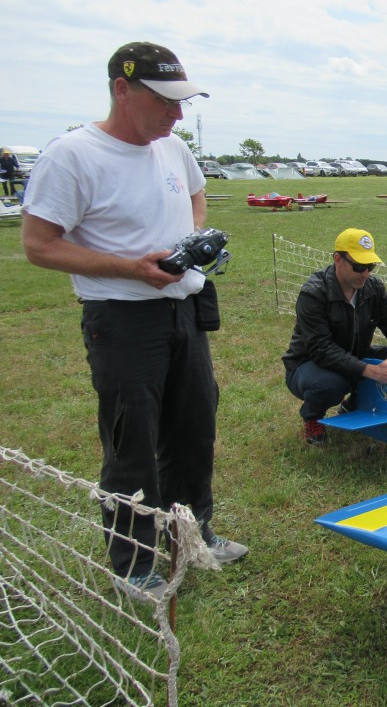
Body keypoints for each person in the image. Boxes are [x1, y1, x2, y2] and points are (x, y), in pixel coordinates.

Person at [21, 41, 248, 600]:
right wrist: (131, 268)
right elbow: (39, 245)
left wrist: (190, 241)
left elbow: (196, 196)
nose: (177, 115)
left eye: (182, 103)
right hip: (122, 321)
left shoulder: (172, 148)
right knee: (133, 443)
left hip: (185, 311)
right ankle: (133, 564)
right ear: (122, 90)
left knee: (194, 428)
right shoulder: (72, 155)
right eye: (166, 102)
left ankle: (194, 535)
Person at [283, 228, 387, 445]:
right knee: (330, 384)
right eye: (359, 266)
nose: (365, 273)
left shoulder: (373, 288)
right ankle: (313, 418)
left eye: (370, 266)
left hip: (354, 356)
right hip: (309, 364)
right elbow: (320, 349)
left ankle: (354, 404)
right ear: (337, 259)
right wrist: (372, 371)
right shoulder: (313, 293)